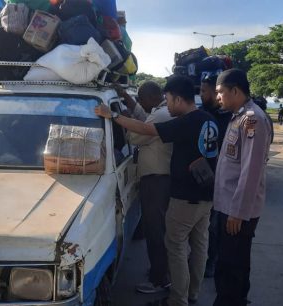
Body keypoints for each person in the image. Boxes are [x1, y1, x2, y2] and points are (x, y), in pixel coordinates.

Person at [95, 75, 218, 306]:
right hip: (205, 194)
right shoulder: (207, 119)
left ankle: (176, 299)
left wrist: (112, 115)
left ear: (179, 99)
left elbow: (142, 130)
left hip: (186, 195)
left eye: (169, 99)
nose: (167, 103)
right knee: (200, 244)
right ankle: (192, 293)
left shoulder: (182, 122)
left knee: (175, 245)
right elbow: (145, 119)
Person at [212, 69, 272, 306]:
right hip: (227, 205)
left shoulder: (252, 119)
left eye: (220, 92)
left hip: (236, 211)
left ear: (235, 90)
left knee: (232, 266)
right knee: (228, 262)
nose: (218, 97)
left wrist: (238, 211)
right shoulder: (238, 116)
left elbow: (251, 171)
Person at [119, 82, 174, 294]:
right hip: (160, 179)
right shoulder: (160, 111)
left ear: (151, 98)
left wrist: (122, 118)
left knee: (155, 231)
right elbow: (144, 118)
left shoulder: (160, 115)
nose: (140, 104)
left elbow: (135, 135)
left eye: (142, 100)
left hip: (156, 181)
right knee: (158, 229)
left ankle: (159, 279)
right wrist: (127, 98)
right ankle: (160, 272)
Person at [200, 73, 233, 279]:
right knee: (202, 225)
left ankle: (211, 261)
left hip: (220, 179)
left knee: (213, 226)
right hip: (202, 177)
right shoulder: (200, 113)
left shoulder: (228, 117)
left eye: (204, 91)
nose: (201, 94)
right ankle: (202, 259)